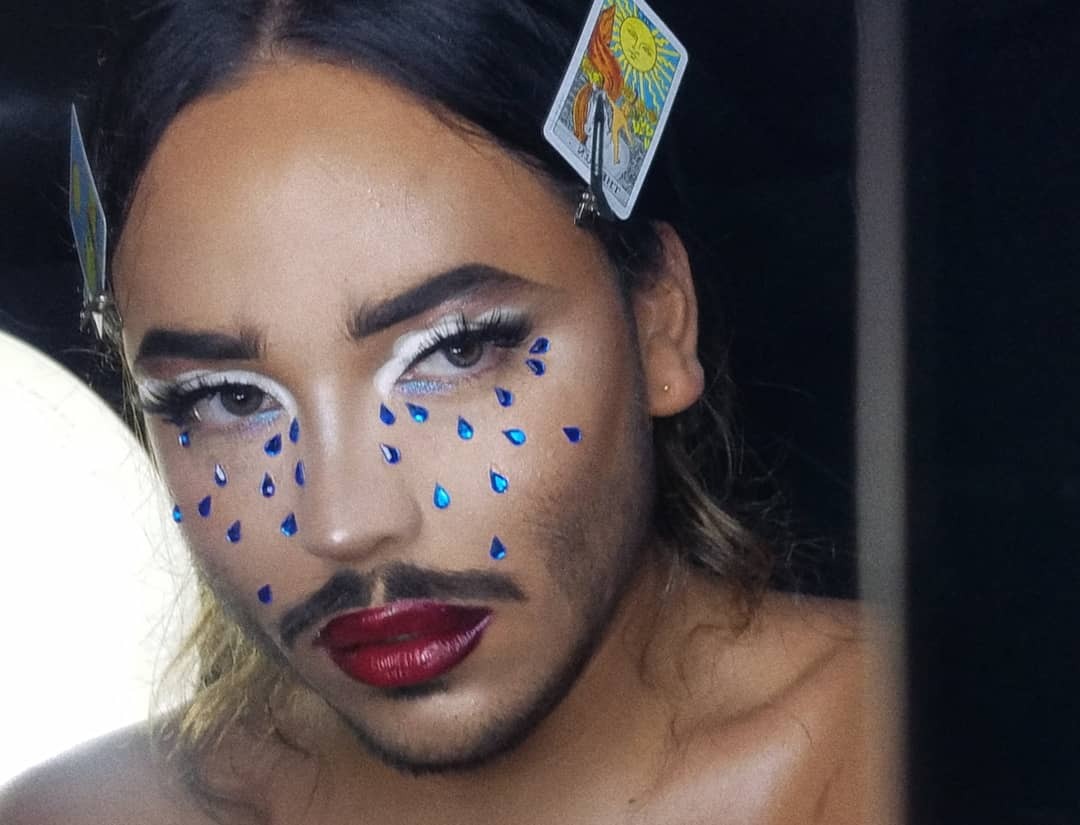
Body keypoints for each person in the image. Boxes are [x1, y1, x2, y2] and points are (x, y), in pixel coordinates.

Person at [0, 2, 889, 822]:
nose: (345, 524)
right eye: (227, 398)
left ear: (658, 320)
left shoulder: (919, 745)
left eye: (456, 351)